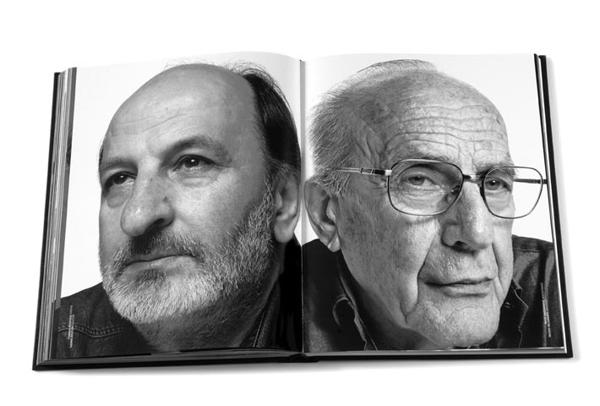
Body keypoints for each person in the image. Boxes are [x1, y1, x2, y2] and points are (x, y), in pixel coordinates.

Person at [303, 59, 564, 351]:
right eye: (420, 180)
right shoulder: (276, 311)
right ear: (328, 214)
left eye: (493, 183)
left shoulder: (563, 283)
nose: (477, 234)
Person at [54, 63, 302, 358]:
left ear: (282, 202)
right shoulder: (55, 340)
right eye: (120, 178)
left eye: (191, 163)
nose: (136, 217)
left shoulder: (344, 324)